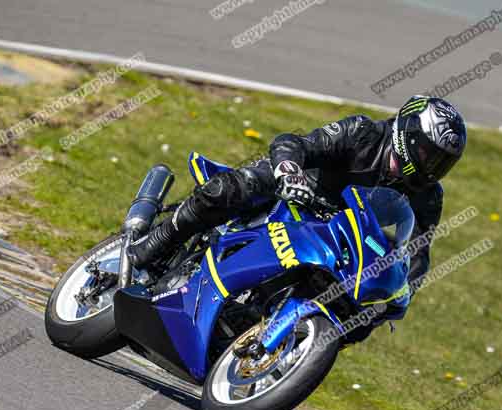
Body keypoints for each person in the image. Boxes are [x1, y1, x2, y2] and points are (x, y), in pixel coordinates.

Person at [129, 95, 467, 297]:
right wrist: (289, 171)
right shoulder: (362, 133)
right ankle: (156, 242)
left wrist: (402, 289)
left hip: (334, 237)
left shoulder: (428, 197)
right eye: (429, 154)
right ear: (408, 135)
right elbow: (296, 143)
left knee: (361, 310)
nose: (432, 167)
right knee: (230, 189)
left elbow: (417, 253)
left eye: (442, 162)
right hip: (292, 192)